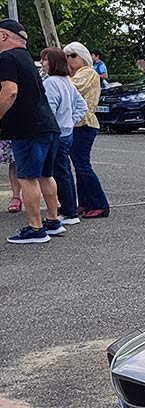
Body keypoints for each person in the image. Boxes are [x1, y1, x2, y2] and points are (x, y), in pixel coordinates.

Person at [0, 19, 65, 244]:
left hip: (27, 128)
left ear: (3, 36)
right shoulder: (27, 59)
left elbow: (9, 92)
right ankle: (53, 221)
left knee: (27, 177)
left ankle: (35, 228)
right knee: (46, 174)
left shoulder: (6, 58)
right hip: (48, 125)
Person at [41, 47, 87, 227]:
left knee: (57, 173)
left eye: (45, 60)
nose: (42, 63)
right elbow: (82, 106)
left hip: (55, 133)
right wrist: (70, 121)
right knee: (64, 172)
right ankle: (68, 208)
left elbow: (48, 110)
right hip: (67, 132)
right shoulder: (67, 81)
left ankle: (67, 211)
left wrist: (54, 125)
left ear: (52, 62)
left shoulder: (51, 82)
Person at [63, 42, 108, 218]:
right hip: (76, 124)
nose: (69, 59)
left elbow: (71, 89)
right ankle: (85, 203)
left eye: (73, 55)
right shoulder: (74, 74)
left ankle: (99, 204)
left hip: (85, 124)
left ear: (83, 57)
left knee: (82, 165)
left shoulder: (88, 73)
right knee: (79, 165)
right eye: (66, 56)